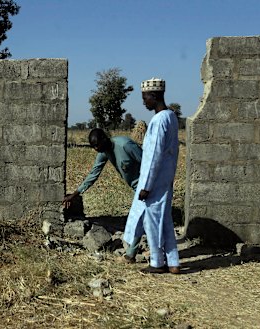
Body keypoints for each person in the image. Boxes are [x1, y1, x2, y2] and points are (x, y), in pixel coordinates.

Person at [123, 78, 181, 274]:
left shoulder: (158, 120)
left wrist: (146, 186)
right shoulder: (171, 117)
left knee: (151, 220)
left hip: (154, 181)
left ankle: (157, 262)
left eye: (145, 97)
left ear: (153, 96)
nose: (143, 102)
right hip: (165, 178)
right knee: (164, 220)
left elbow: (154, 156)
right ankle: (173, 262)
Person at [62, 128, 143, 262]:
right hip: (138, 189)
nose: (95, 149)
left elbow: (148, 163)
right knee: (146, 219)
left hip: (148, 187)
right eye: (93, 146)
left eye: (97, 145)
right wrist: (75, 194)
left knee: (137, 218)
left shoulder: (125, 145)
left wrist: (149, 187)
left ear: (105, 139)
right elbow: (93, 174)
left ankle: (131, 255)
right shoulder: (104, 152)